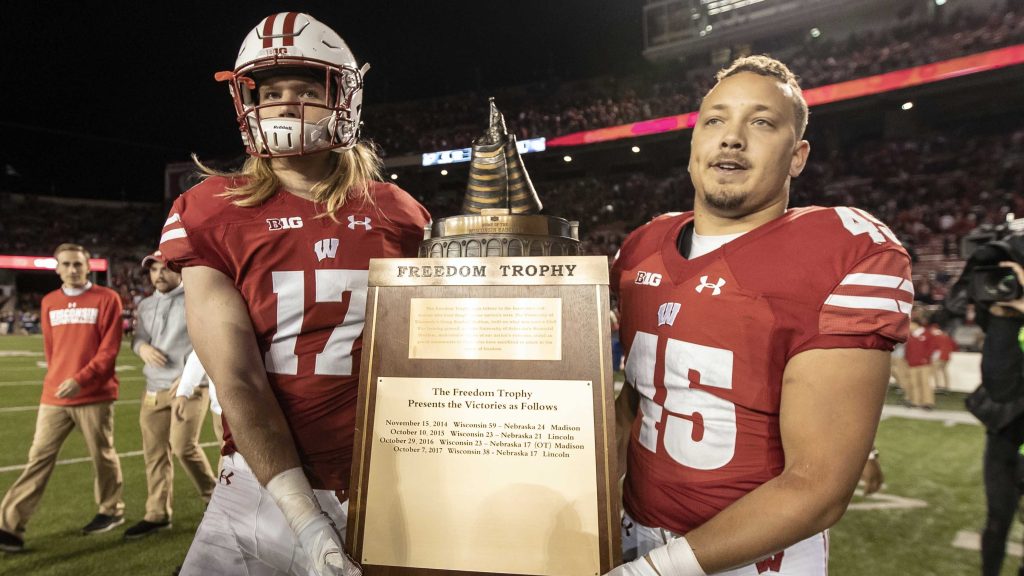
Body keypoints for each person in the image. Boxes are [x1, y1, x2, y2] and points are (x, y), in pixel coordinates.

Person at [607, 56, 912, 576]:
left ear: (797, 156)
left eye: (761, 122)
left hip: (754, 558)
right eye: (715, 120)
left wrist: (655, 571)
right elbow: (635, 399)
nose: (731, 137)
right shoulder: (641, 248)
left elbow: (817, 486)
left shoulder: (844, 250)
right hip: (633, 529)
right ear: (693, 145)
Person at [158, 12, 430, 576]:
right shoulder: (211, 209)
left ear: (343, 100)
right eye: (271, 90)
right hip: (262, 483)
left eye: (305, 89)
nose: (283, 104)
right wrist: (303, 516)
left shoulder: (399, 214)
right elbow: (237, 379)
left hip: (386, 472)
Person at [0, 243, 125, 553]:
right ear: (56, 269)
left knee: (102, 455)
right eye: (66, 264)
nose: (72, 269)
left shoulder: (107, 298)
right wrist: (57, 377)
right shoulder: (50, 302)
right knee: (38, 457)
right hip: (54, 395)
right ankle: (9, 527)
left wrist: (79, 379)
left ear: (87, 267)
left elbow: (109, 351)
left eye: (77, 264)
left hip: (94, 394)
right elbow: (50, 348)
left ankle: (111, 510)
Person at [125, 250, 217, 539]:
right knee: (154, 454)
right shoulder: (145, 305)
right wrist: (142, 348)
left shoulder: (195, 299)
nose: (158, 275)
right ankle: (157, 513)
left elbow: (208, 339)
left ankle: (214, 499)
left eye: (164, 269)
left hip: (188, 388)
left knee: (182, 447)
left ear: (178, 271)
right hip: (153, 388)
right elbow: (138, 337)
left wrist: (189, 377)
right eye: (153, 271)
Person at [975, 259, 1024, 576]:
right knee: (996, 521)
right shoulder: (1011, 315)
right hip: (1007, 433)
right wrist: (1004, 312)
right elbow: (998, 383)